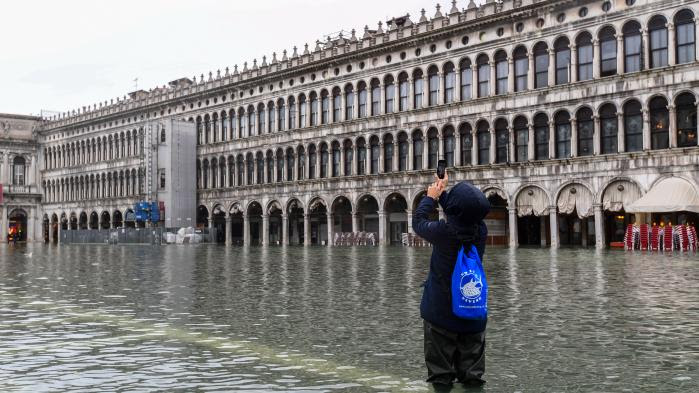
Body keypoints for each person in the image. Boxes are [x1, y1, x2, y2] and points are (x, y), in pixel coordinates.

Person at [412, 172, 490, 389]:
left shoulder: (443, 232)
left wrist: (431, 197)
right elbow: (462, 212)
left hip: (440, 316)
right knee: (473, 378)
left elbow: (418, 222)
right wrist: (443, 191)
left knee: (441, 378)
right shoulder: (481, 231)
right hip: (473, 314)